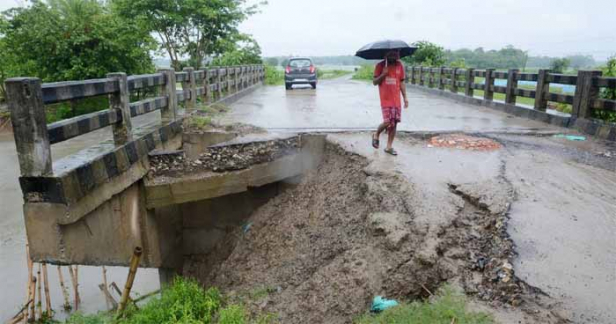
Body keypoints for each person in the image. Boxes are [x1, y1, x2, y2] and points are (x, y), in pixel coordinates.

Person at [371, 50, 408, 156]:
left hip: (396, 100)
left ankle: (389, 147)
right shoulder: (380, 66)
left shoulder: (400, 65)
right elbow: (374, 82)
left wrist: (405, 97)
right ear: (386, 55)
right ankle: (376, 134)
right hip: (386, 99)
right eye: (392, 54)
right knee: (387, 122)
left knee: (394, 123)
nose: (395, 56)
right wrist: (383, 74)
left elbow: (401, 82)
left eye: (396, 54)